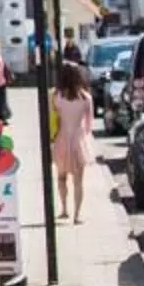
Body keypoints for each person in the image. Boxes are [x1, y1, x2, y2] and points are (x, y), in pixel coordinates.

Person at [51, 56, 97, 223]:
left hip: (62, 138)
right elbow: (89, 125)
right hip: (79, 139)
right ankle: (77, 215)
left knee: (61, 177)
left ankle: (64, 209)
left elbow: (54, 117)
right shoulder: (86, 98)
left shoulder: (56, 96)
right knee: (79, 180)